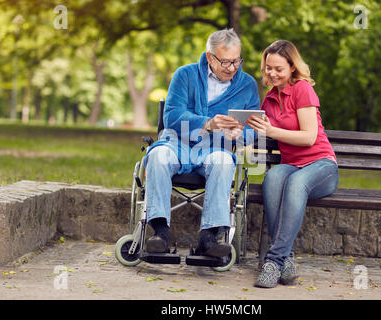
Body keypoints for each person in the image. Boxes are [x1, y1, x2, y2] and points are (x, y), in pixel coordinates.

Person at [142, 29, 260, 258]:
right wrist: (207, 123)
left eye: (236, 61)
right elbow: (172, 116)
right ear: (209, 57)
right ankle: (160, 233)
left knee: (224, 161)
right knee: (157, 157)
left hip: (216, 148)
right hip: (176, 143)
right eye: (225, 61)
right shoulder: (184, 75)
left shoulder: (247, 85)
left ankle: (209, 237)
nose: (232, 67)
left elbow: (254, 128)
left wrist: (241, 134)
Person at [247, 40, 339, 288]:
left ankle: (273, 262)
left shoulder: (302, 90)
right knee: (273, 178)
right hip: (292, 164)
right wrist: (240, 130)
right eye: (268, 68)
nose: (272, 73)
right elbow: (264, 133)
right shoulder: (269, 98)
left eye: (278, 68)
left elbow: (309, 137)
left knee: (296, 184)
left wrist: (272, 131)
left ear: (291, 67)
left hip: (321, 165)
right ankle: (286, 258)